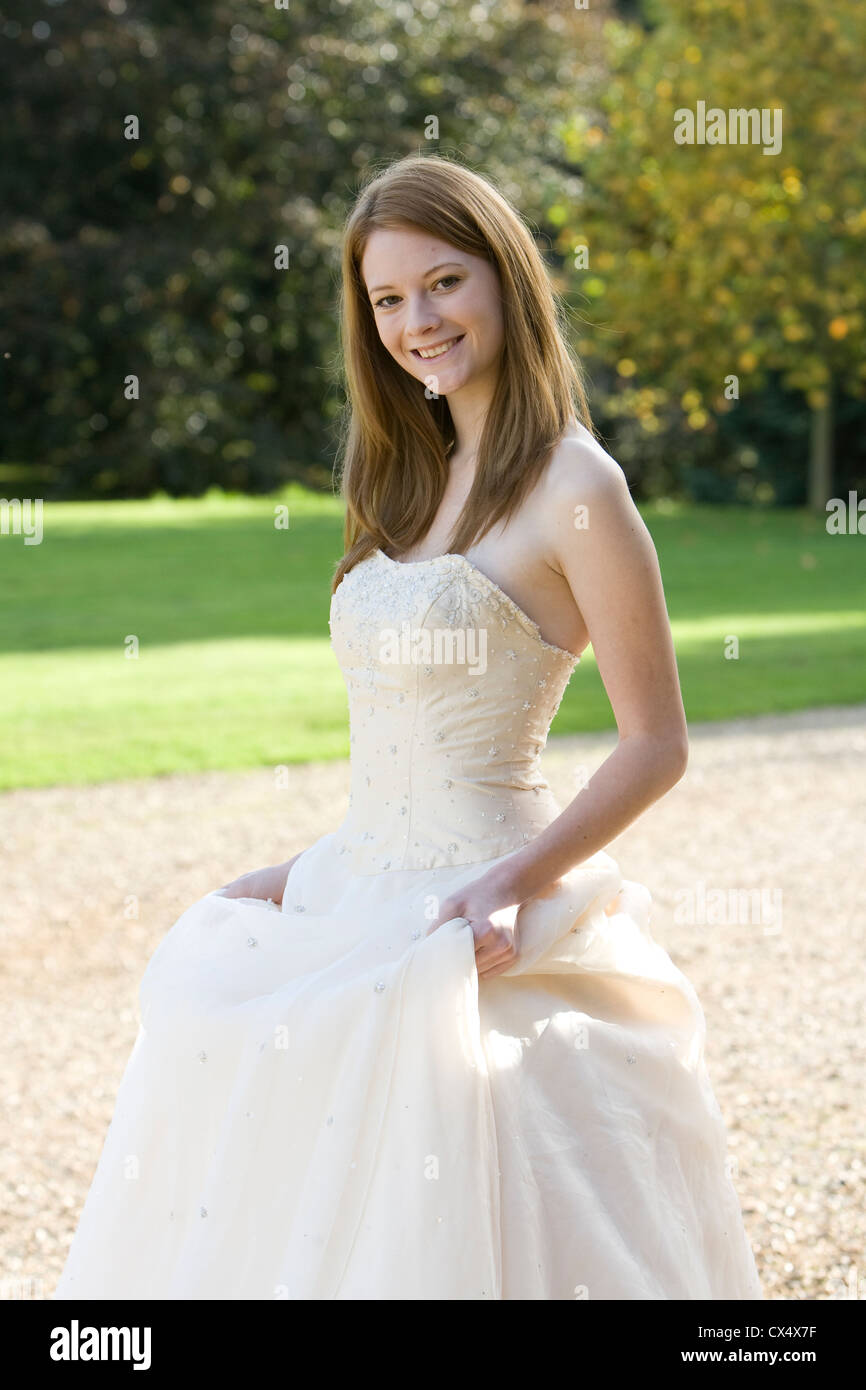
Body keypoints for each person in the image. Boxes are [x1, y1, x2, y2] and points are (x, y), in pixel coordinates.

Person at [54, 153, 762, 1300]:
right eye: (387, 299)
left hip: (484, 903)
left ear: (505, 280)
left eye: (442, 283)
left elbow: (654, 743)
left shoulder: (576, 483)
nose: (416, 321)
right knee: (224, 1035)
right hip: (361, 881)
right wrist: (299, 870)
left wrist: (512, 881)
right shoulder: (405, 475)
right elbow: (397, 742)